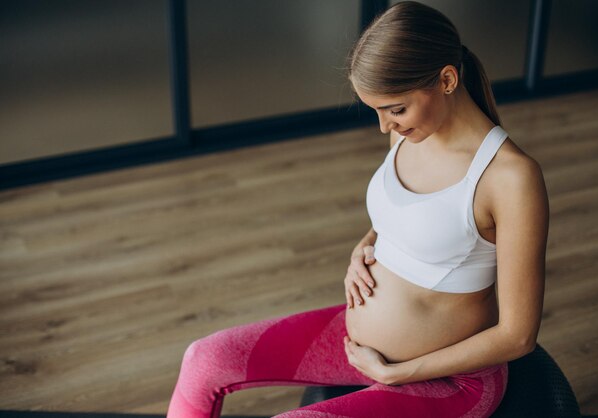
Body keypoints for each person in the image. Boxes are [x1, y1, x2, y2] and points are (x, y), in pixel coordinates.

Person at [166, 2, 550, 417]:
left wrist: (399, 373)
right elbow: (409, 218)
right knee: (204, 359)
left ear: (447, 79)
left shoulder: (511, 178)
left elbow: (518, 335)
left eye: (395, 109)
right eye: (377, 111)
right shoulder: (409, 135)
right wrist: (364, 246)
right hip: (359, 346)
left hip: (449, 382)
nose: (385, 127)